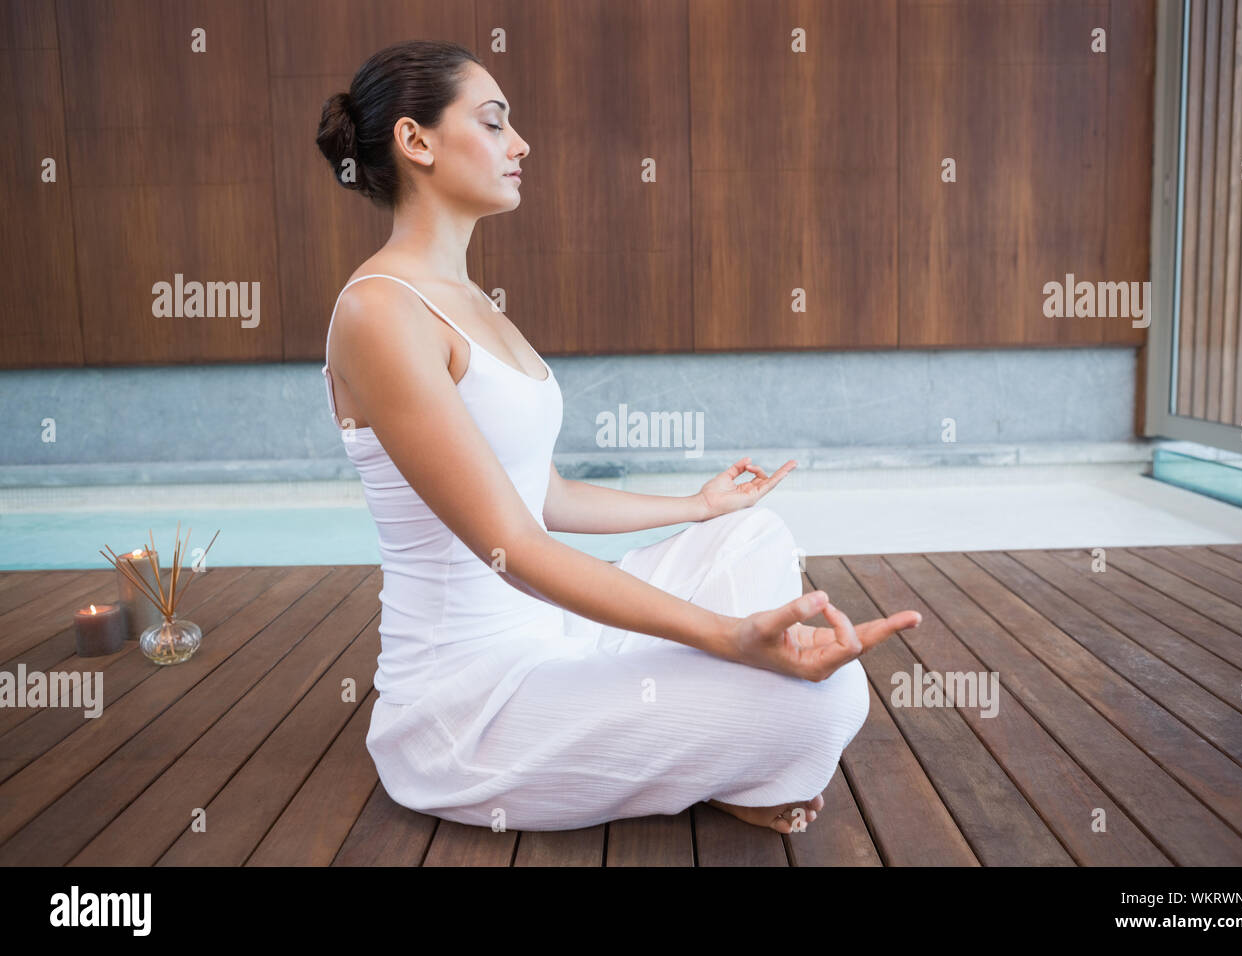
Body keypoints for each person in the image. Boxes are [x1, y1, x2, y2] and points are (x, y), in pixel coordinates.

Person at [315, 39, 922, 833]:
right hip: (474, 706)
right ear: (416, 141)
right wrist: (730, 638)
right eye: (495, 123)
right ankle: (738, 754)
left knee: (750, 531)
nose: (521, 144)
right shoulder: (380, 313)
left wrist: (697, 508)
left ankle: (726, 752)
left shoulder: (469, 298)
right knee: (830, 697)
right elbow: (517, 547)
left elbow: (546, 496)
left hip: (555, 634)